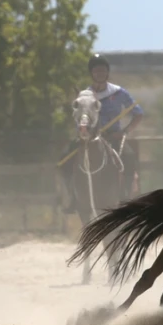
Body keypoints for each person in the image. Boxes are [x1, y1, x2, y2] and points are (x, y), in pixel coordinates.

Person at [61, 54, 145, 209]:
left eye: (103, 70)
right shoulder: (85, 95)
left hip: (114, 137)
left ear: (107, 72)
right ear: (91, 73)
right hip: (89, 138)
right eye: (96, 71)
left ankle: (126, 197)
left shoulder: (119, 93)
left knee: (129, 157)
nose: (100, 73)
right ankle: (73, 197)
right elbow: (79, 117)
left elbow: (138, 113)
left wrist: (125, 131)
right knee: (65, 159)